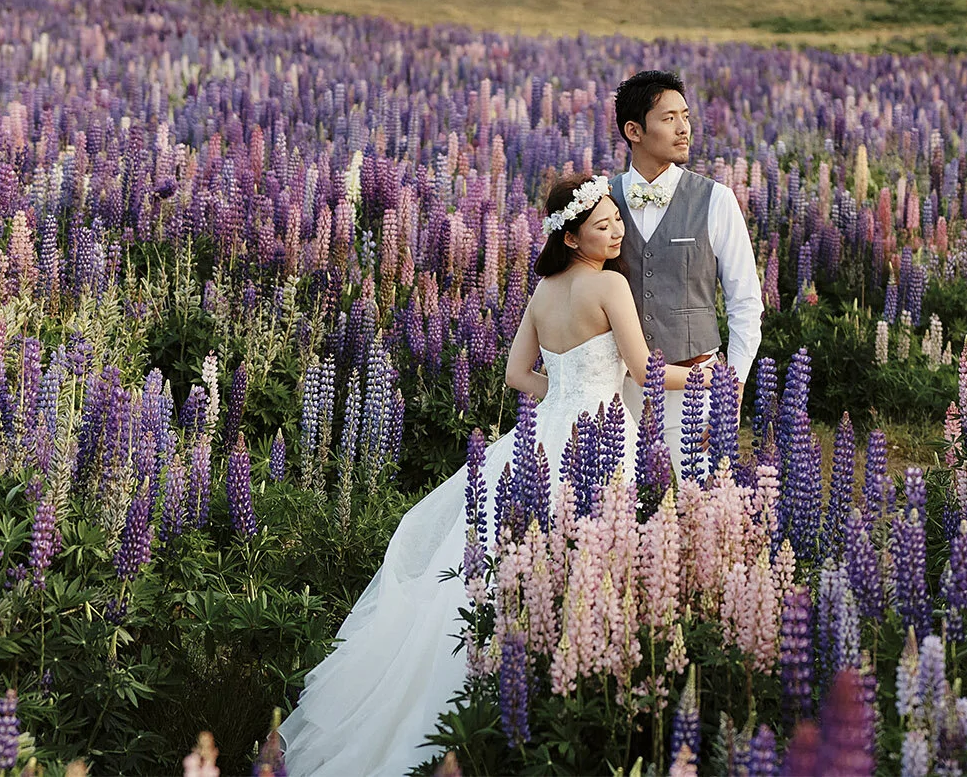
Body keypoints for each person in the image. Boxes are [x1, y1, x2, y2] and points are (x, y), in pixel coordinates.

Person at [277, 174, 695, 776]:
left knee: (490, 578)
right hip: (601, 441)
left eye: (616, 222)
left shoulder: (544, 291)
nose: (617, 232)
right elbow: (644, 370)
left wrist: (566, 395)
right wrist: (709, 375)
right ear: (574, 238)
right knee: (590, 567)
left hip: (536, 443)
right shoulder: (611, 285)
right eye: (604, 225)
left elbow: (516, 376)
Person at [608, 70, 764, 467]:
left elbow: (745, 301)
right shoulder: (601, 201)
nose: (684, 129)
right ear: (634, 131)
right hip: (615, 392)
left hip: (695, 388)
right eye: (668, 118)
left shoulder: (716, 199)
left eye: (687, 117)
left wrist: (737, 386)